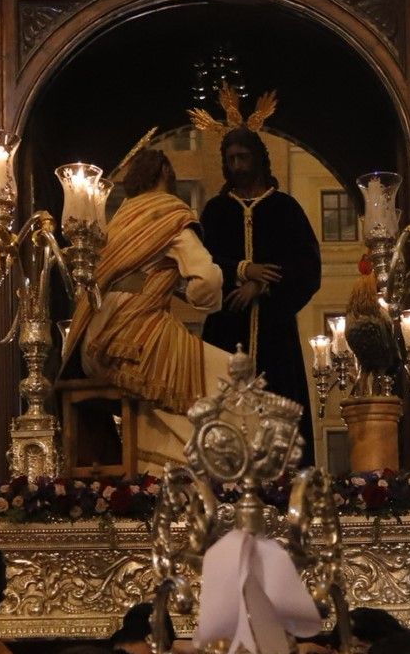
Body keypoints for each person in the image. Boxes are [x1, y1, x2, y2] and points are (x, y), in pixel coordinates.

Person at [60, 148, 229, 467]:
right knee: (233, 377)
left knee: (176, 377)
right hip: (130, 340)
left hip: (91, 343)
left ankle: (151, 467)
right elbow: (206, 282)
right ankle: (188, 471)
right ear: (165, 170)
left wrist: (167, 285)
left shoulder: (119, 217)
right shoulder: (171, 212)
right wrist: (191, 293)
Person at [199, 126, 321, 456]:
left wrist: (263, 286)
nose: (237, 165)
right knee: (222, 415)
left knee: (280, 414)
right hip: (227, 331)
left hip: (274, 335)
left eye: (243, 157)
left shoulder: (285, 209)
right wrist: (242, 269)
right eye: (231, 159)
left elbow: (307, 268)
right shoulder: (216, 211)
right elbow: (202, 263)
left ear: (259, 159)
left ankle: (283, 490)